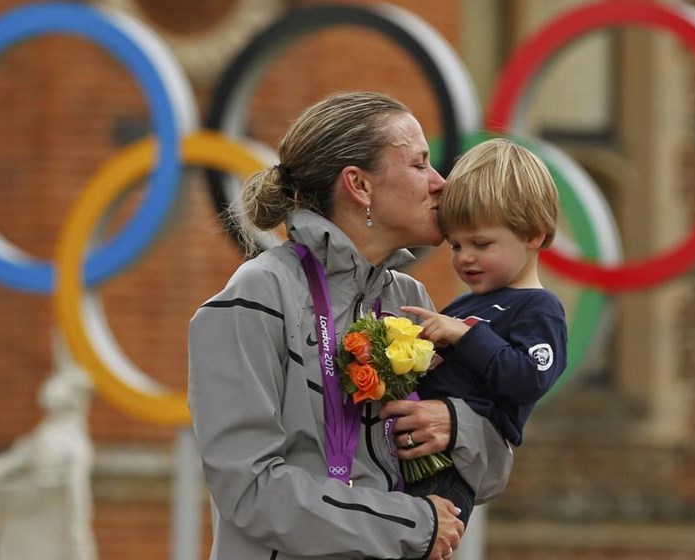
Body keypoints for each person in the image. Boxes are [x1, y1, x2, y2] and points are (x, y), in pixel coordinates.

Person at [188, 92, 512, 560]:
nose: (441, 183)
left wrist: (457, 427)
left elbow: (490, 476)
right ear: (359, 185)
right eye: (420, 165)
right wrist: (412, 525)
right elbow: (250, 490)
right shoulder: (255, 298)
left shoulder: (410, 301)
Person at [398, 138, 568, 527]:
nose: (464, 257)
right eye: (457, 245)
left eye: (481, 243)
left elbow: (529, 378)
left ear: (533, 235)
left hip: (454, 466)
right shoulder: (463, 307)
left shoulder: (540, 309)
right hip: (412, 448)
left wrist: (464, 337)